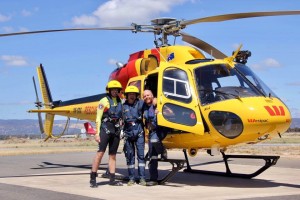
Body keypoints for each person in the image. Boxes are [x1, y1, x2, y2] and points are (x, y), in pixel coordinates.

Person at [90, 80, 123, 187]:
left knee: (112, 156)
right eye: (112, 89)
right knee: (100, 153)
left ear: (118, 90)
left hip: (116, 131)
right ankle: (93, 178)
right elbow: (98, 118)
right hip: (105, 130)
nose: (114, 91)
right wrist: (97, 133)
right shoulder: (103, 101)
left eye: (116, 90)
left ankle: (112, 180)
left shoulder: (120, 101)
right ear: (109, 90)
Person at [122, 85, 146, 186]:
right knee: (130, 156)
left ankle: (142, 178)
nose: (132, 96)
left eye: (133, 94)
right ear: (126, 96)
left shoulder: (141, 103)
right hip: (128, 134)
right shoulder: (122, 106)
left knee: (141, 156)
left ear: (136, 95)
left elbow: (151, 102)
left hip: (139, 133)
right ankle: (131, 178)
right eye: (130, 94)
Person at [143, 89, 167, 186]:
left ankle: (162, 150)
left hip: (162, 129)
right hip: (152, 131)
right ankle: (153, 179)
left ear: (153, 95)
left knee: (154, 140)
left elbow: (170, 111)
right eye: (144, 96)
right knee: (152, 155)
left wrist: (160, 111)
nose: (146, 97)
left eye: (148, 95)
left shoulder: (159, 102)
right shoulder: (143, 106)